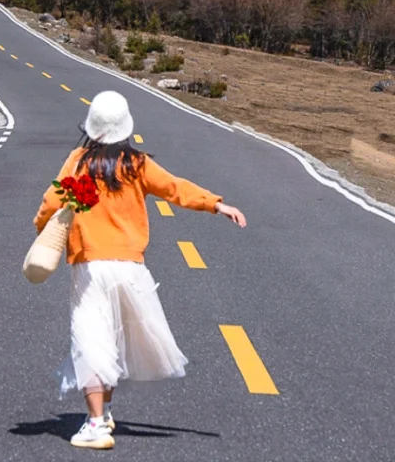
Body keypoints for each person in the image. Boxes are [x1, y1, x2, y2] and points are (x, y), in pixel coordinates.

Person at [33, 90, 247, 451]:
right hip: (131, 267)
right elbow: (175, 188)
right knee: (114, 338)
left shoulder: (78, 162)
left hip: (91, 265)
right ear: (125, 129)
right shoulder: (137, 164)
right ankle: (108, 409)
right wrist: (216, 204)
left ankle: (96, 423)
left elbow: (52, 203)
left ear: (92, 128)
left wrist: (43, 230)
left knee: (91, 337)